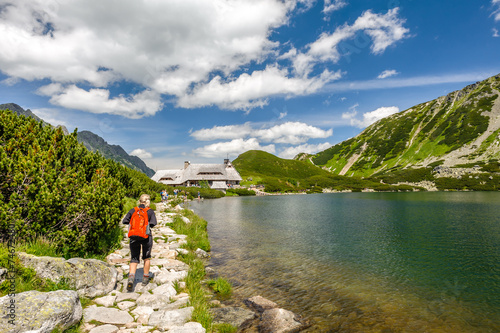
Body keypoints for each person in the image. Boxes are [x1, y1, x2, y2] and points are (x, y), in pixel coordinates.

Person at [122, 194, 157, 291]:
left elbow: (125, 221)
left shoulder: (133, 210)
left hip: (133, 237)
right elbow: (153, 223)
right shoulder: (149, 211)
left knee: (134, 258)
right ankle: (145, 278)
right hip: (146, 237)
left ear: (139, 201)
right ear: (148, 201)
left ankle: (131, 278)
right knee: (146, 257)